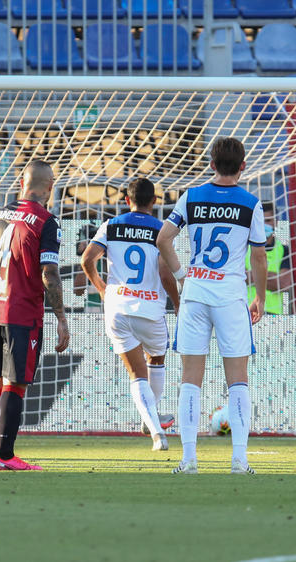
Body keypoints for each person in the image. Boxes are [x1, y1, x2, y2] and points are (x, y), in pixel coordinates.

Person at [156, 137, 268, 475]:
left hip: (196, 294)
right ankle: (239, 460)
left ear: (211, 164)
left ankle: (188, 460)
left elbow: (163, 239)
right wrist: (260, 296)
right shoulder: (250, 203)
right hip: (231, 296)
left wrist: (181, 273)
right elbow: (259, 255)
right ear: (244, 166)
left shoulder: (192, 197)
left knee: (190, 379)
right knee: (238, 379)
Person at [0, 159, 70, 471]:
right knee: (15, 386)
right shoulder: (46, 221)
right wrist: (60, 316)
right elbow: (50, 272)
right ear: (50, 187)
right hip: (21, 313)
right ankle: (5, 457)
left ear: (21, 184)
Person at [81, 178, 180, 451]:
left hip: (118, 307)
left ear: (127, 200)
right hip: (150, 309)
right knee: (156, 359)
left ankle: (154, 428)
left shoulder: (111, 226)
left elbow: (87, 259)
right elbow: (164, 272)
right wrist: (178, 302)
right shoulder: (161, 230)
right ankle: (154, 425)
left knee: (137, 374)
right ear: (154, 202)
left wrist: (101, 288)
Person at [245, 202, 292, 316]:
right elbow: (236, 276)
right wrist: (272, 277)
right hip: (244, 310)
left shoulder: (285, 250)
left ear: (275, 222)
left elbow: (283, 284)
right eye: (260, 221)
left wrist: (251, 275)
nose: (263, 225)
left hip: (273, 314)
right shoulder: (243, 248)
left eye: (268, 221)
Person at [73, 222, 103, 313]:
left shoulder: (108, 257)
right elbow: (78, 292)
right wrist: (87, 255)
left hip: (109, 307)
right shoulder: (84, 261)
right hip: (92, 311)